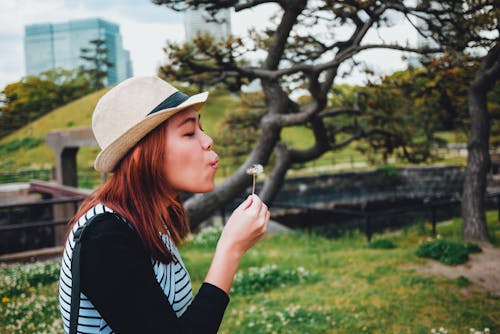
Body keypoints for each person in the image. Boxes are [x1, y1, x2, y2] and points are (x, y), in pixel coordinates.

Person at [58, 76, 270, 333]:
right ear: (143, 155)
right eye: (189, 132)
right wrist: (230, 248)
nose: (208, 141)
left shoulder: (147, 218)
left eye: (200, 129)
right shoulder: (103, 238)